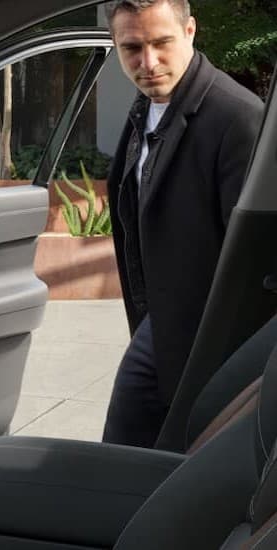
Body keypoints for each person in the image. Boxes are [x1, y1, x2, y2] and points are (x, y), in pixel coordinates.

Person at [101, 0, 265, 447]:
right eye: (132, 48)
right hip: (160, 321)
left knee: (153, 453)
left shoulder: (237, 117)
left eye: (162, 42)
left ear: (190, 31)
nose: (149, 62)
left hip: (208, 337)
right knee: (130, 448)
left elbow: (250, 257)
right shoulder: (147, 105)